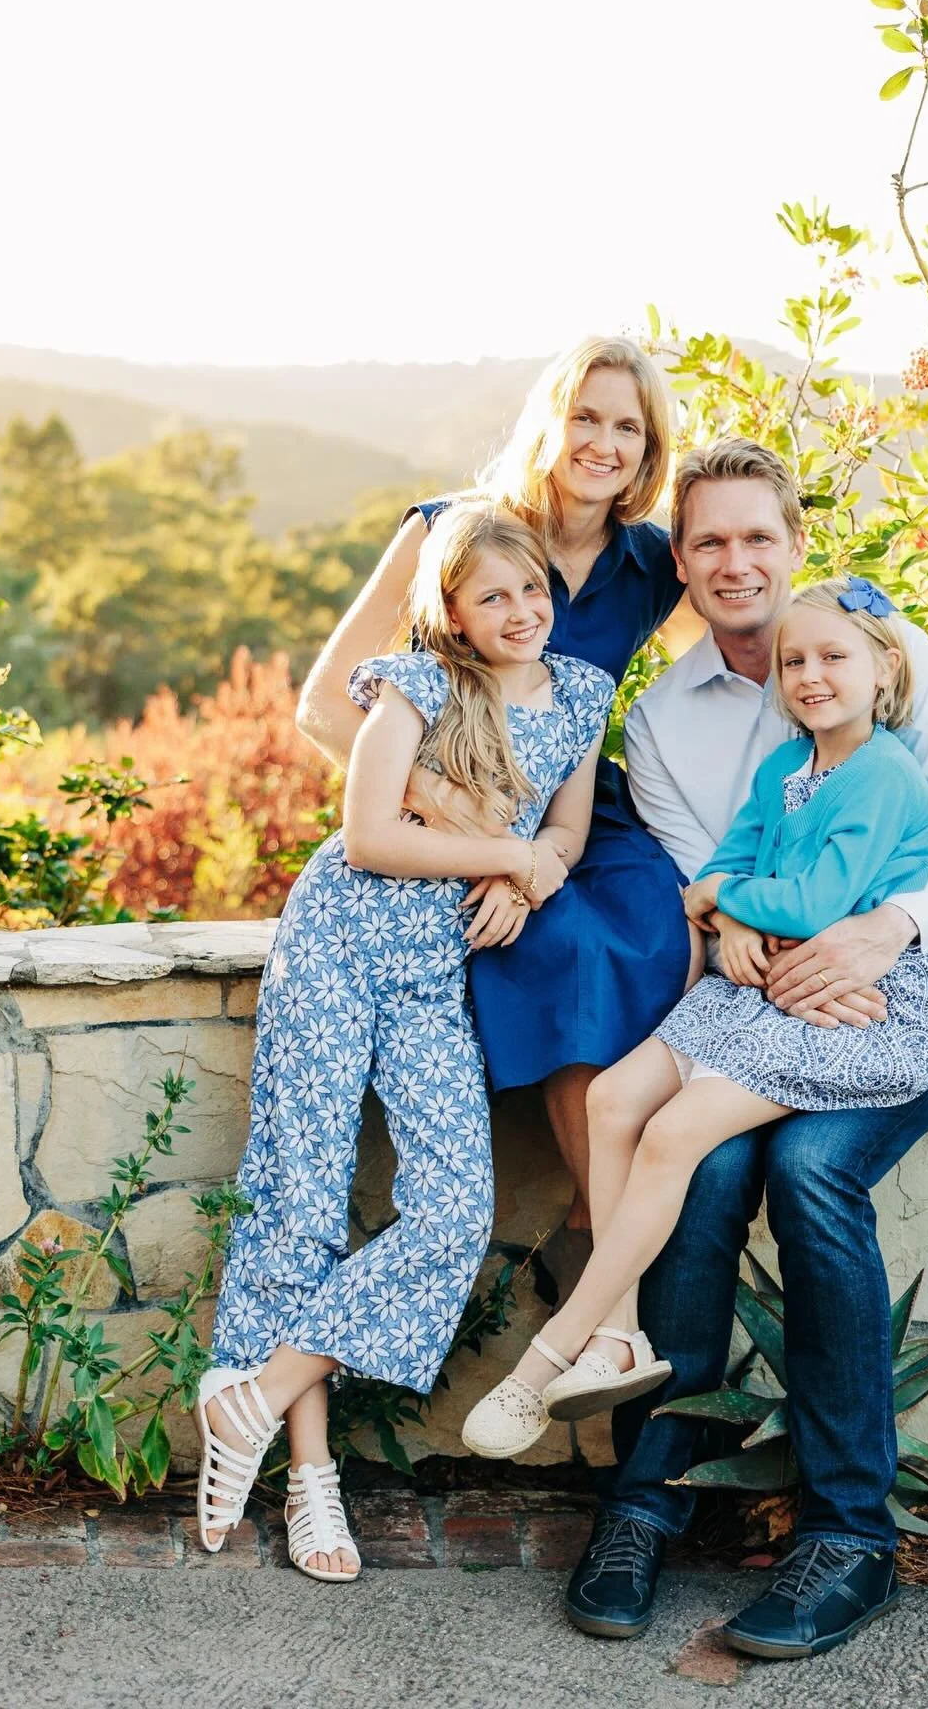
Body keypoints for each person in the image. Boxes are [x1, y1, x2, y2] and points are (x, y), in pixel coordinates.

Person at [556, 438, 928, 1661]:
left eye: (758, 535)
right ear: (683, 563)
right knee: (697, 1171)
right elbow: (712, 884)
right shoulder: (661, 724)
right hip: (760, 1000)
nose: (735, 560)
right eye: (707, 540)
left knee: (814, 1174)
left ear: (794, 542)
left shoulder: (879, 651)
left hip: (903, 988)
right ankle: (649, 1502)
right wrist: (730, 926)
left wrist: (889, 927)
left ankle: (849, 1535)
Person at [462, 578, 928, 1467]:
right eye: (795, 662)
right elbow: (737, 857)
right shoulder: (787, 767)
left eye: (833, 657)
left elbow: (817, 902)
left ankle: (546, 1359)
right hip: (762, 977)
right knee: (615, 1098)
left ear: (883, 666)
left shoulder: (885, 773)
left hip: (855, 991)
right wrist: (727, 897)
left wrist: (718, 896)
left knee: (674, 1136)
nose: (811, 676)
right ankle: (620, 1333)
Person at [197, 505, 613, 1579]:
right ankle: (311, 1484)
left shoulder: (582, 696)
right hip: (337, 945)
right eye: (492, 598)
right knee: (304, 1195)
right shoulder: (414, 689)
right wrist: (500, 856)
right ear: (455, 615)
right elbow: (371, 836)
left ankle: (256, 1392)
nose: (519, 612)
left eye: (531, 590)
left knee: (455, 1208)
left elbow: (565, 827)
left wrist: (540, 869)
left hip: (435, 972)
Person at [294, 336, 695, 1289]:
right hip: (450, 822)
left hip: (582, 816)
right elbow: (323, 705)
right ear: (549, 423)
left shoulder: (651, 564)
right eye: (585, 417)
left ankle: (609, 1218)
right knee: (558, 951)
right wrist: (476, 844)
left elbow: (745, 663)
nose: (603, 442)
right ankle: (604, 1251)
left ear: (651, 448)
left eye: (628, 427)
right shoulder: (454, 529)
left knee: (660, 927)